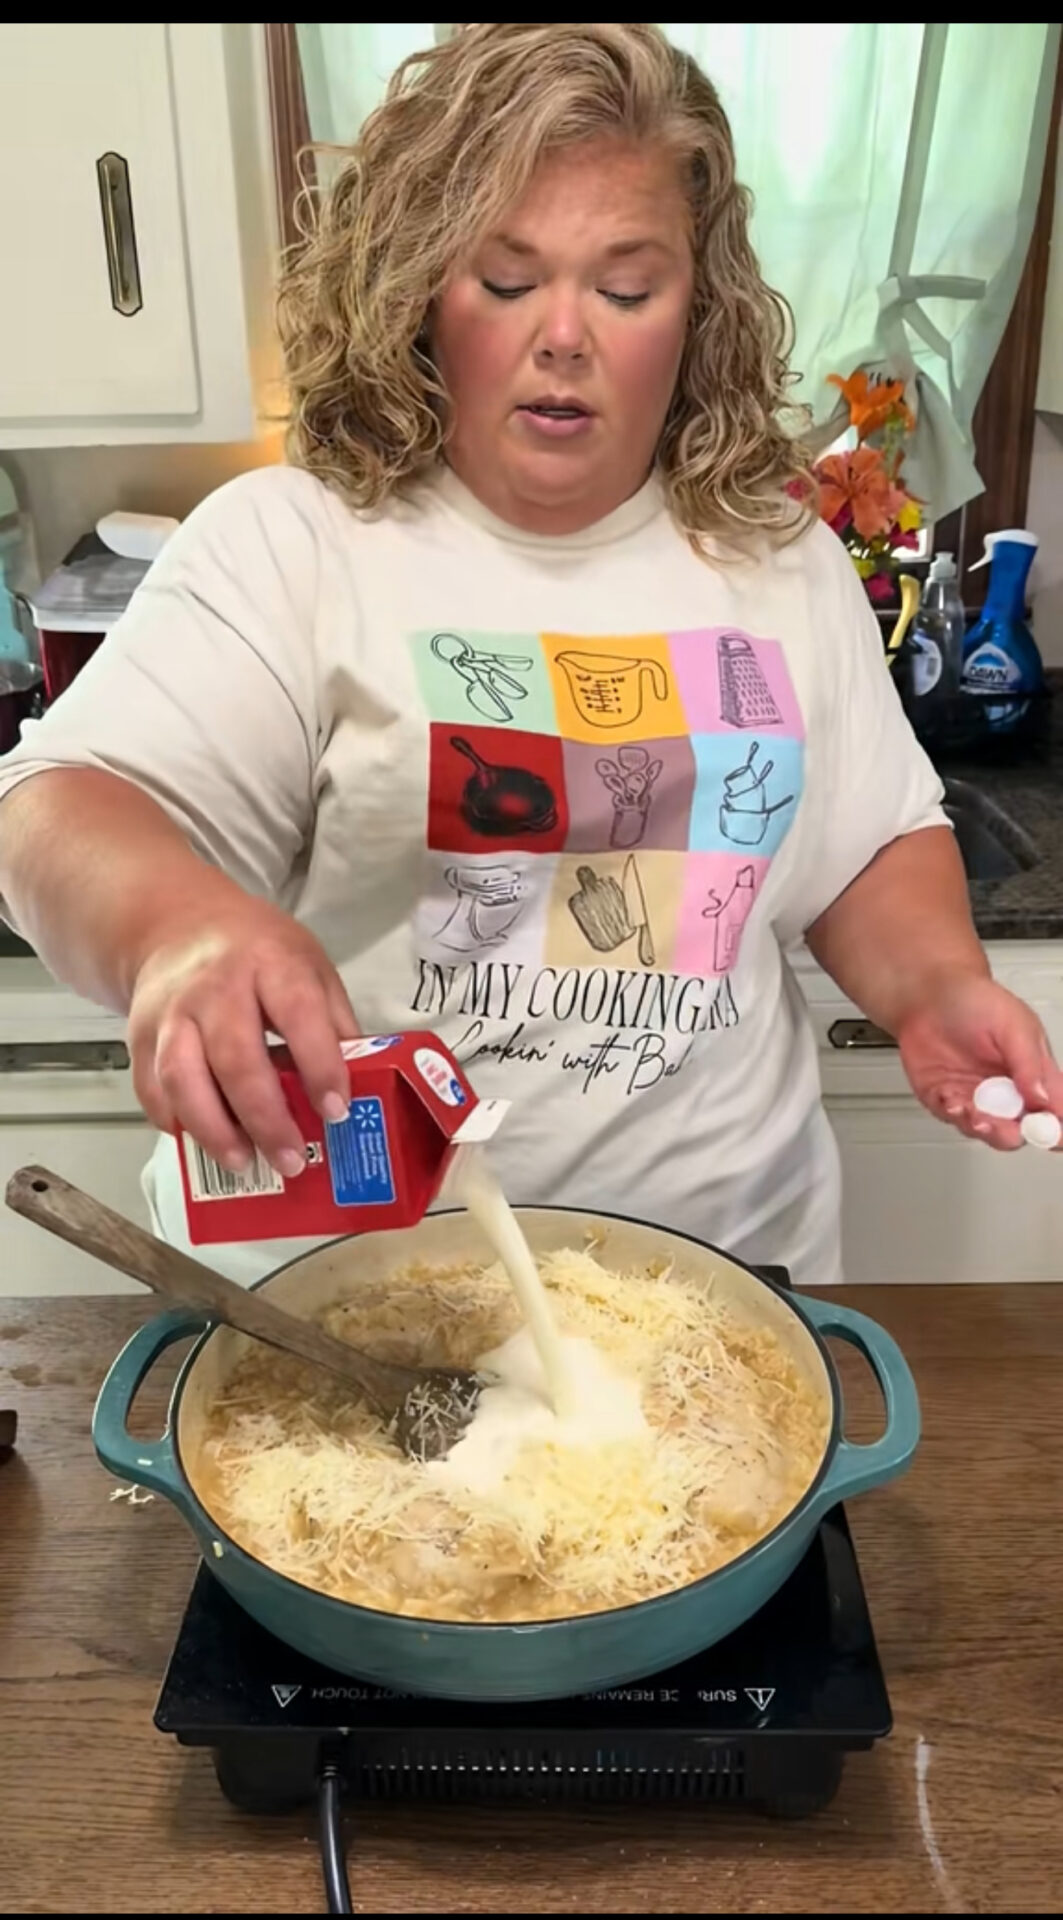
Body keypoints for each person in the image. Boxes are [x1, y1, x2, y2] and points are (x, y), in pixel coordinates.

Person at [0, 22, 1058, 1289]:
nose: (565, 334)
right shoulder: (296, 543)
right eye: (506, 282)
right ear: (419, 292)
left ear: (695, 307)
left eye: (624, 288)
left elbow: (866, 841)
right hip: (365, 1302)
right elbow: (59, 809)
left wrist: (934, 984)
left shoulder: (775, 555)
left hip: (720, 1290)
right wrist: (178, 931)